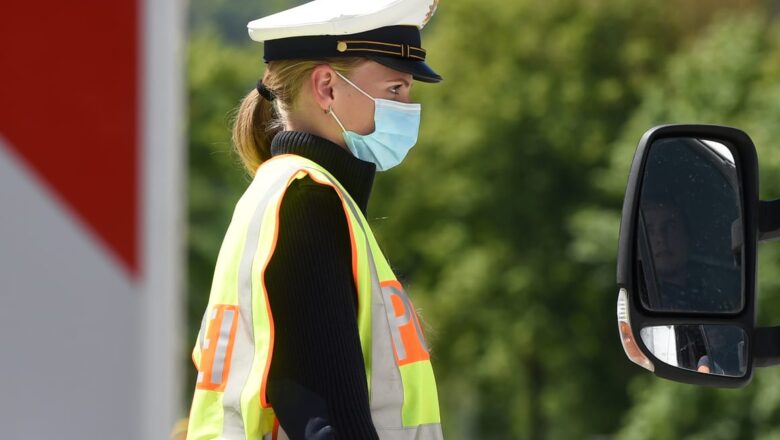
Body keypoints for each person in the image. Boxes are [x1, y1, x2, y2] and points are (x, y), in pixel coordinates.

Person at [186, 1, 444, 439]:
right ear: (326, 86)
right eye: (396, 90)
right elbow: (329, 421)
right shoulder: (307, 202)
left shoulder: (284, 193)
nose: (409, 108)